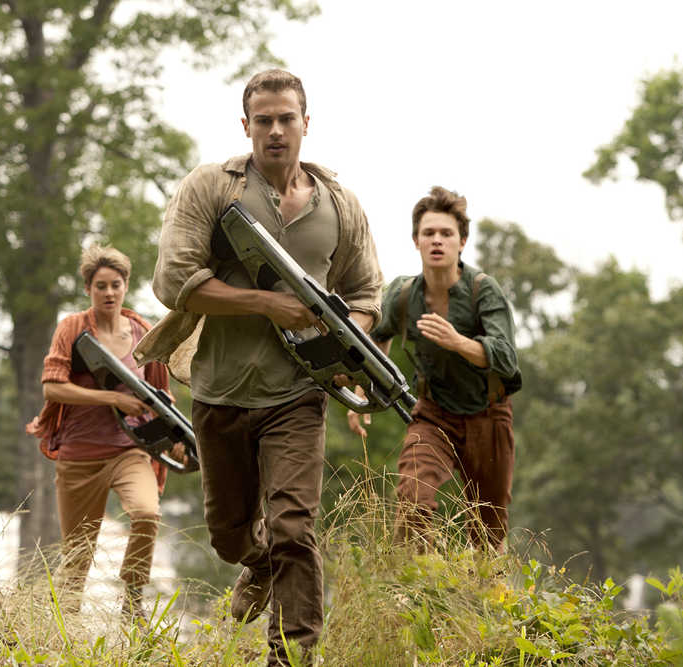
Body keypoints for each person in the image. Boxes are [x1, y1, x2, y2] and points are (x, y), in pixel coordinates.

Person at [135, 69, 383, 665]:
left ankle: (291, 656)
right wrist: (268, 303)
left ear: (306, 124)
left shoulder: (339, 206)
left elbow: (367, 295)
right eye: (264, 121)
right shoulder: (210, 188)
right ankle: (257, 562)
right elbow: (175, 281)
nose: (276, 131)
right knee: (227, 536)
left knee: (295, 528)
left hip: (298, 394)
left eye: (286, 119)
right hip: (220, 390)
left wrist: (350, 348)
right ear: (246, 127)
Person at [348, 186, 521, 553]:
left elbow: (506, 359)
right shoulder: (404, 293)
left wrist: (458, 342)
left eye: (446, 233)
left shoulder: (483, 291)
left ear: (462, 242)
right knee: (412, 501)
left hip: (487, 415)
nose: (437, 241)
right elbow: (377, 339)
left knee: (489, 532)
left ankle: (486, 597)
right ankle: (418, 586)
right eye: (429, 233)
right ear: (416, 241)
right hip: (434, 415)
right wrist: (361, 391)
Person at [26, 244, 175, 621]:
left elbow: (162, 394)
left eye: (116, 285)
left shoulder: (144, 332)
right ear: (88, 290)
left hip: (130, 451)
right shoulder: (73, 329)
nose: (109, 293)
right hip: (80, 456)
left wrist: (175, 437)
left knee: (146, 513)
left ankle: (132, 600)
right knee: (76, 557)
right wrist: (111, 397)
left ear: (126, 287)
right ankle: (62, 639)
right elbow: (53, 387)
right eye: (100, 286)